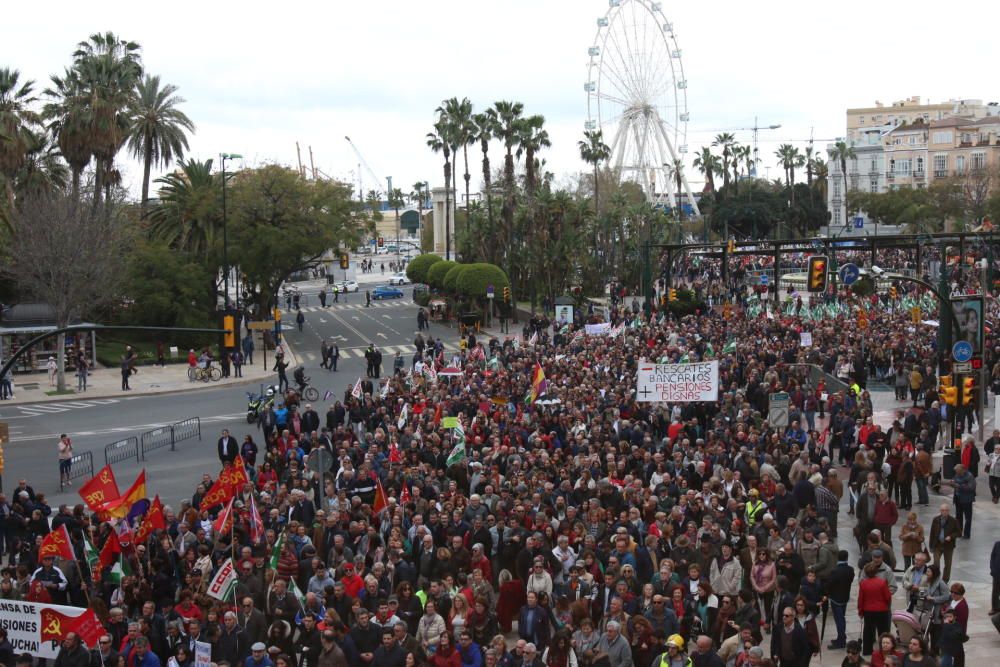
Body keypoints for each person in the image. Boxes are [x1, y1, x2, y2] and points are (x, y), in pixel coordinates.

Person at [858, 562, 892, 656]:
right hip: (882, 610)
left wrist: (860, 611)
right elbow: (887, 597)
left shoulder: (863, 584)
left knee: (868, 630)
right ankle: (884, 650)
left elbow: (861, 599)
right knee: (883, 631)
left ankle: (867, 650)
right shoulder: (882, 582)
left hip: (868, 611)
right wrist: (887, 606)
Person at [929, 504, 961, 582]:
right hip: (937, 545)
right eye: (942, 510)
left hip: (948, 546)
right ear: (940, 511)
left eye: (946, 510)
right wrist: (931, 546)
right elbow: (932, 533)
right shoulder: (936, 519)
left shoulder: (953, 521)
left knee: (948, 564)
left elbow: (959, 533)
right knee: (936, 563)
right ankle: (936, 579)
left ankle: (945, 581)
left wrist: (951, 536)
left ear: (948, 511)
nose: (944, 512)